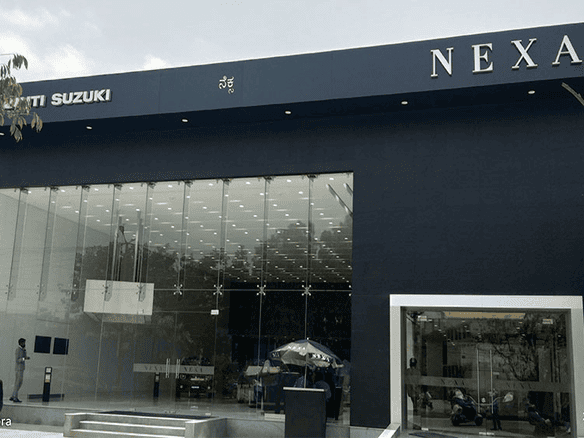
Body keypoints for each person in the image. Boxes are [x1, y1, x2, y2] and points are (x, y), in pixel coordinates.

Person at [10, 338, 30, 403]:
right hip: (19, 369)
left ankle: (13, 395)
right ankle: (14, 396)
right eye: (23, 343)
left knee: (18, 383)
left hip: (21, 369)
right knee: (18, 383)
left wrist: (25, 353)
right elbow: (17, 360)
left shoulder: (22, 350)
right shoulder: (18, 350)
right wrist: (24, 358)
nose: (24, 344)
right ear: (21, 343)